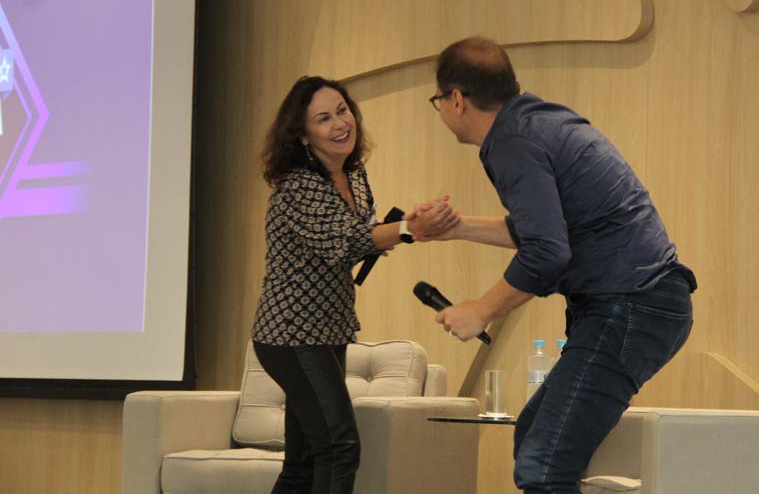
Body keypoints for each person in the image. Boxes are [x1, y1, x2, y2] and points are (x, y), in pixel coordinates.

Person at [411, 37, 696, 494]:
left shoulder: (511, 143)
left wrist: (482, 309)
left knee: (543, 466)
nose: (442, 110)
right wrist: (458, 227)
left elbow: (547, 252)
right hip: (643, 303)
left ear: (457, 99)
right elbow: (548, 231)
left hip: (631, 305)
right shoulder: (534, 123)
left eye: (438, 100)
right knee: (532, 439)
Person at [251, 75, 458, 494]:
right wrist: (407, 228)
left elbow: (360, 235)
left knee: (304, 462)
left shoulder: (353, 174)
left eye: (342, 111)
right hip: (291, 334)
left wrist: (407, 226)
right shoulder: (298, 186)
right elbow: (345, 240)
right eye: (323, 119)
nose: (340, 124)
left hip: (330, 328)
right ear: (303, 135)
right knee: (339, 447)